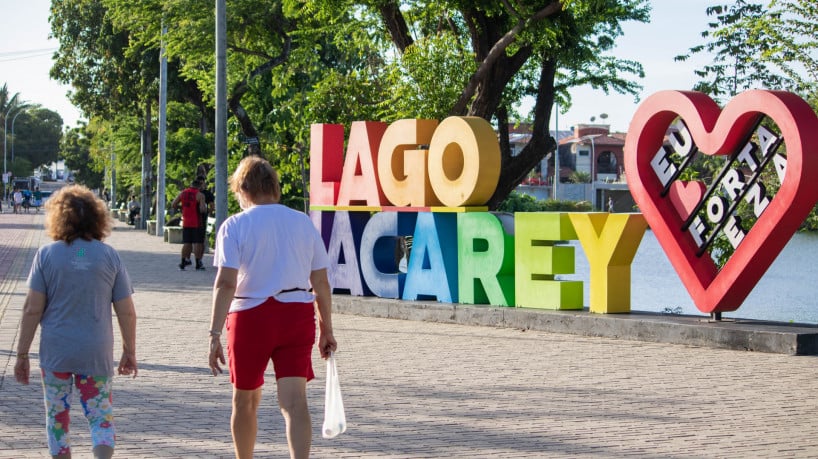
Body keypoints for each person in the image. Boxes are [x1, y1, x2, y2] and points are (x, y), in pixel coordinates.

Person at [208, 156, 336, 459]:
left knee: (245, 401)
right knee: (294, 403)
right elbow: (321, 282)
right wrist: (326, 328)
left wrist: (214, 332)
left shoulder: (235, 225)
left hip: (250, 316)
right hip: (296, 315)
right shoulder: (302, 221)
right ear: (274, 187)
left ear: (243, 188)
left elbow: (226, 283)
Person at [13, 184, 138, 459]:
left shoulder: (46, 255)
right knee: (100, 416)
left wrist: (22, 353)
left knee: (57, 419)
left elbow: (32, 309)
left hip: (56, 351)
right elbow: (127, 311)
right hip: (96, 351)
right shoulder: (109, 256)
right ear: (98, 217)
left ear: (58, 217)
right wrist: (129, 350)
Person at [171, 179, 207, 270]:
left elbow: (173, 204)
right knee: (198, 242)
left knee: (187, 242)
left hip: (186, 221)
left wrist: (183, 207)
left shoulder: (182, 193)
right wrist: (204, 209)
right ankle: (198, 263)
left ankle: (183, 261)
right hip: (197, 222)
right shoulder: (200, 195)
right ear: (199, 186)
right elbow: (202, 209)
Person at [196, 175, 215, 249]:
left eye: (202, 183)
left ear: (204, 183)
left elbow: (212, 206)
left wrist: (206, 212)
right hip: (195, 218)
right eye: (199, 183)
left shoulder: (208, 194)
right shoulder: (193, 192)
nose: (201, 185)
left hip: (201, 218)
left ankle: (198, 251)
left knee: (200, 237)